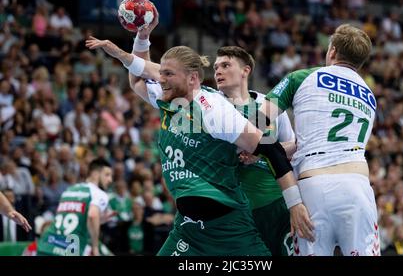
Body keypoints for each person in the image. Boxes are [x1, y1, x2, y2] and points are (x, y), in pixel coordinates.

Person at [85, 20, 313, 256]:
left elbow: (274, 149)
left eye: (168, 75)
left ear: (192, 78)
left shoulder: (213, 107)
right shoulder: (170, 100)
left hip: (230, 226)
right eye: (161, 74)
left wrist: (295, 203)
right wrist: (141, 37)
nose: (161, 80)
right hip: (189, 227)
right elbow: (138, 78)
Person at [260, 24, 380, 256]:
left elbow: (256, 121)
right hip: (357, 186)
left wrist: (262, 150)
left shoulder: (302, 77)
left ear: (332, 51)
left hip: (313, 187)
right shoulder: (369, 95)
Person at [213, 46, 296, 255]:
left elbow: (294, 148)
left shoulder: (269, 105)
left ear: (246, 70)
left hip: (275, 205)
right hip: (233, 209)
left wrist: (262, 150)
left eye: (225, 65)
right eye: (215, 67)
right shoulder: (211, 107)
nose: (217, 72)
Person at [37, 158, 113, 256]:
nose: (110, 179)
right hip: (69, 249)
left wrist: (99, 220)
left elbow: (73, 217)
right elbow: (92, 215)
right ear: (95, 174)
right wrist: (95, 246)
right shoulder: (99, 193)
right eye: (107, 175)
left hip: (47, 244)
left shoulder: (69, 189)